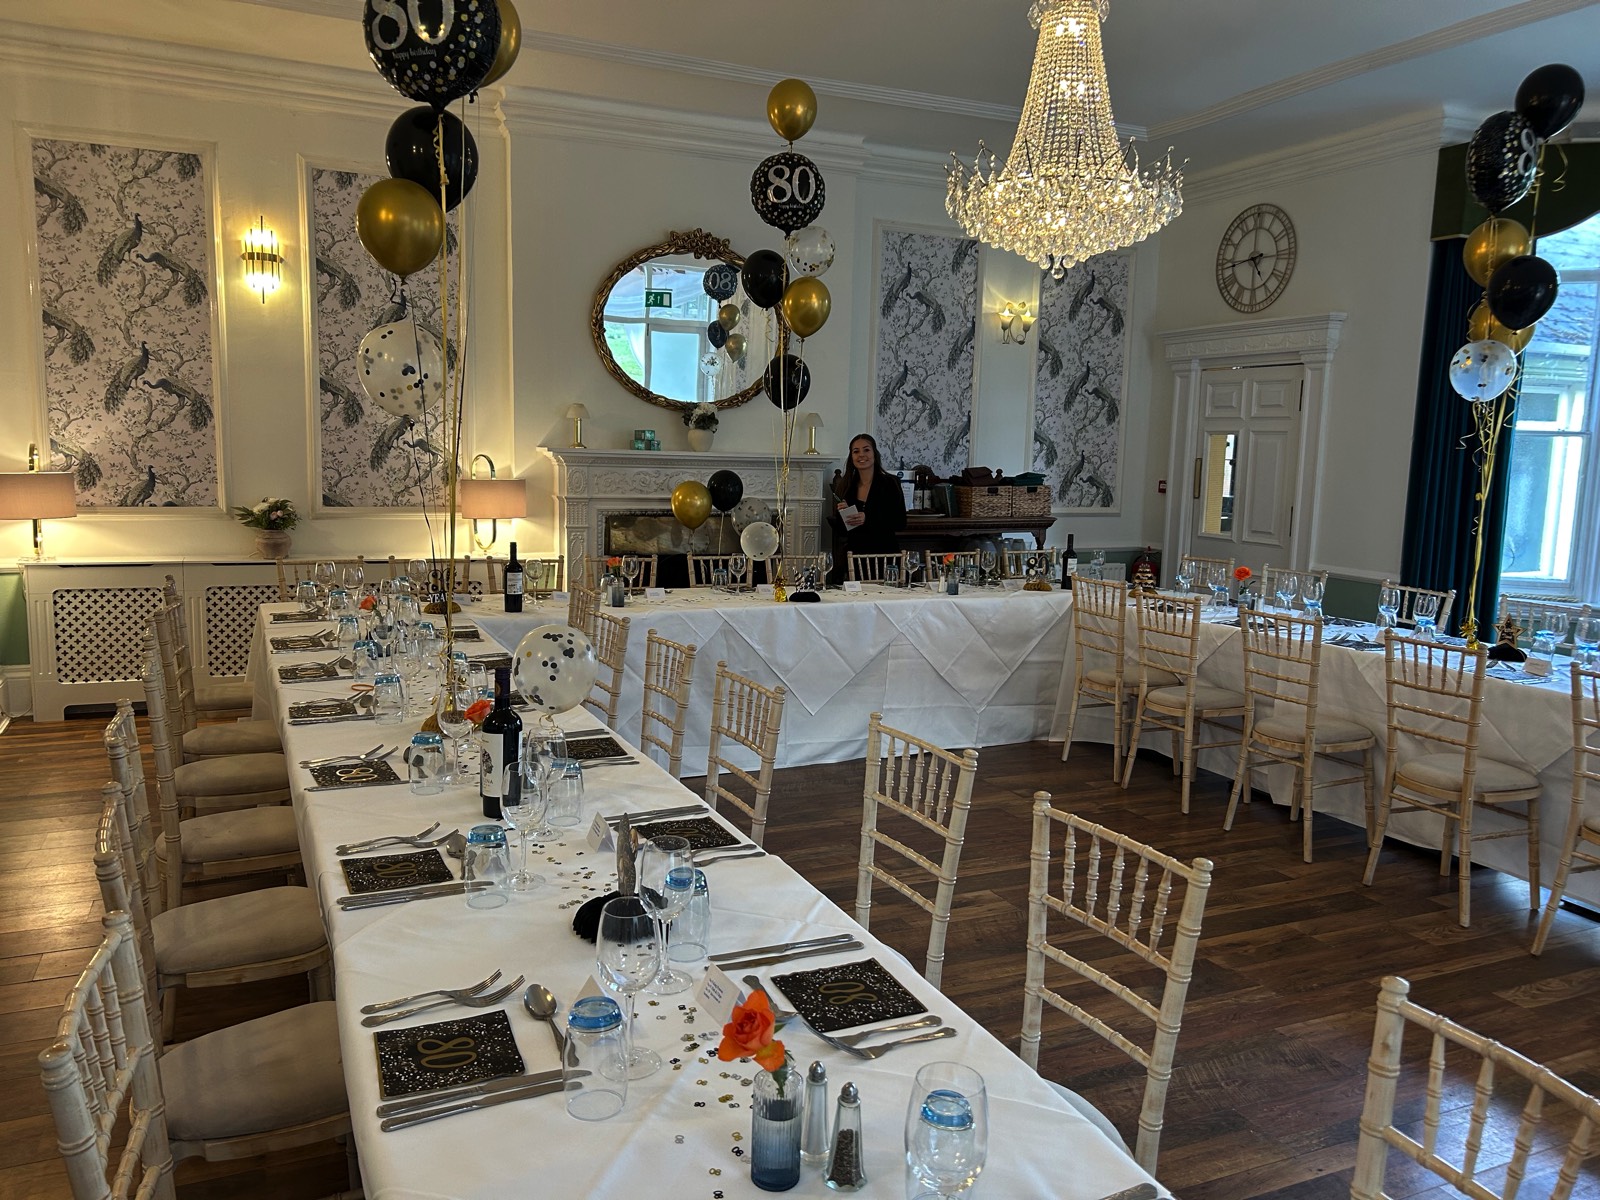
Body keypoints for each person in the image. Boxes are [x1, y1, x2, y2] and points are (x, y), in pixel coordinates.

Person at [828, 433, 906, 582]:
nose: (861, 455)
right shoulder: (845, 486)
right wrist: (843, 514)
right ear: (851, 457)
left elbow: (900, 522)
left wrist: (867, 518)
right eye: (856, 451)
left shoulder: (890, 483)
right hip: (855, 558)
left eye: (866, 450)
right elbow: (842, 531)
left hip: (885, 555)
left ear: (874, 454)